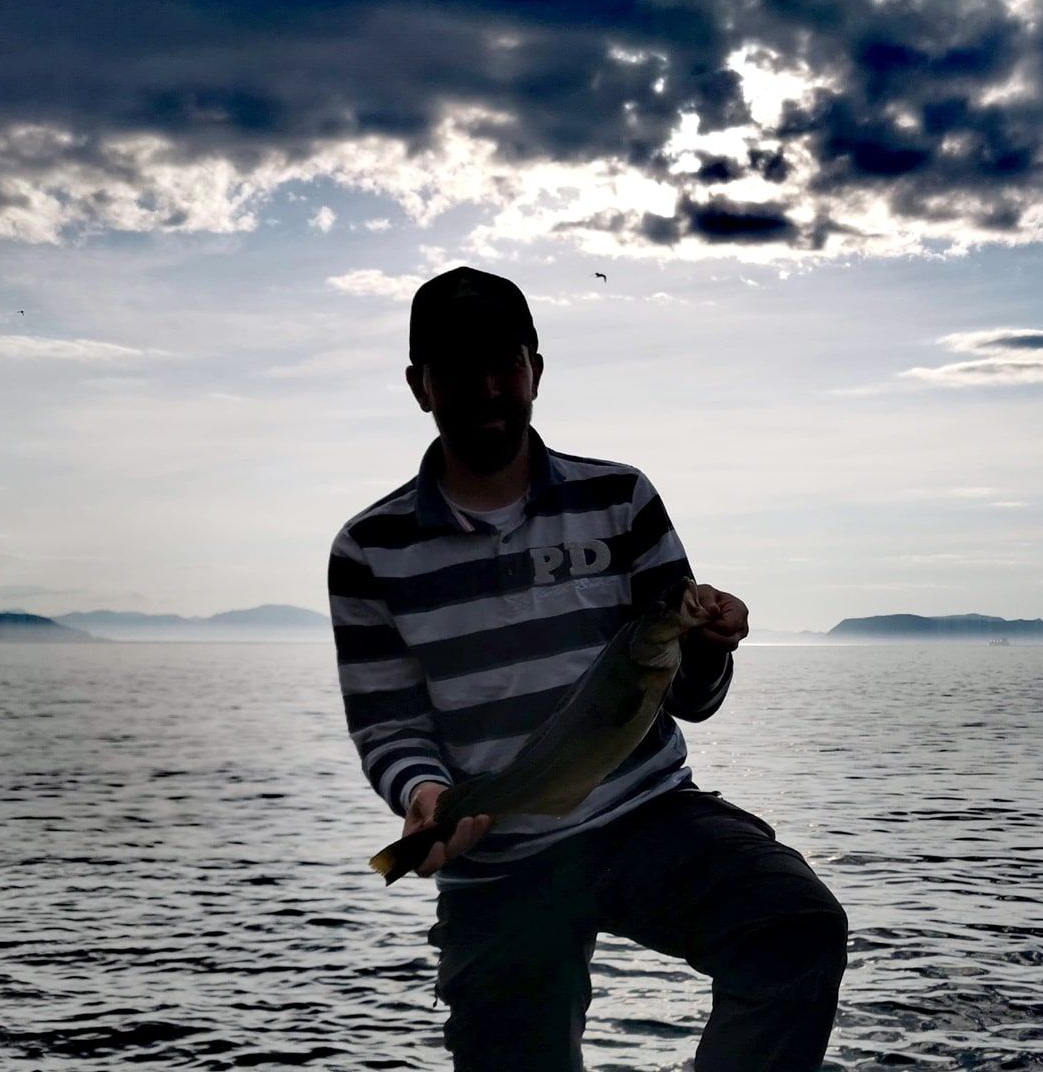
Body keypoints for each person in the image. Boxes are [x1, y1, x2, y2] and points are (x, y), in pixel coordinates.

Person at [326, 265, 847, 1070]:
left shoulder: (621, 498)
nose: (489, 387)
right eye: (460, 369)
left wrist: (709, 645)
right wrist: (427, 796)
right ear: (419, 385)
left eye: (506, 364)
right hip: (497, 858)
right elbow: (388, 723)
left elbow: (692, 700)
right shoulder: (370, 550)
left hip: (647, 813)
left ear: (536, 370)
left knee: (795, 926)